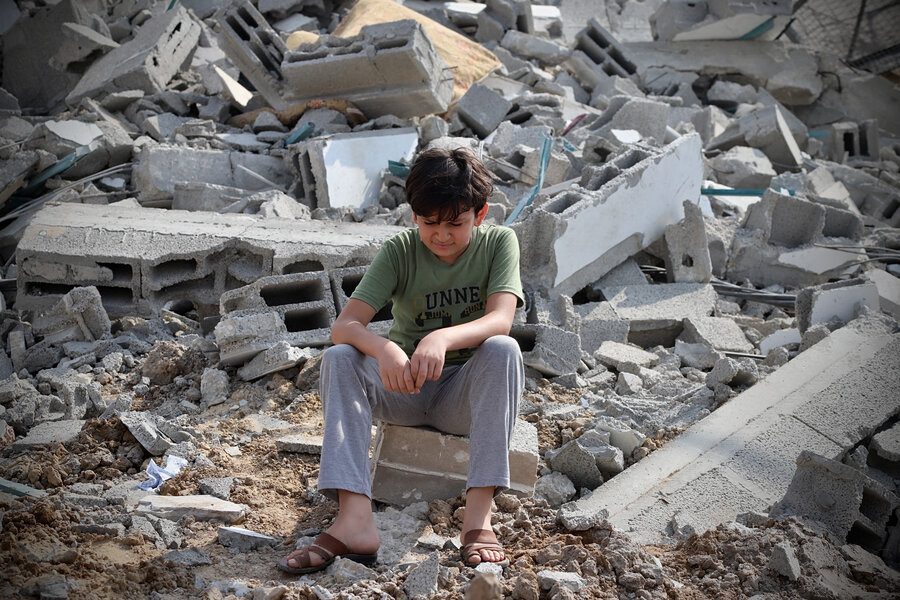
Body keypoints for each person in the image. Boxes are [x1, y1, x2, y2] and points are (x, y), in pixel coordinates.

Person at [277, 146, 525, 575]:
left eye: (455, 223)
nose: (441, 235)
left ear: (480, 215)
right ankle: (355, 519)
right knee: (339, 358)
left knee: (503, 349)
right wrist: (385, 348)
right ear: (414, 215)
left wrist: (441, 338)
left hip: (462, 395)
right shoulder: (400, 251)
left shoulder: (499, 242)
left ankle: (478, 517)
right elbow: (345, 326)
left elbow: (501, 319)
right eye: (430, 222)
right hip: (405, 388)